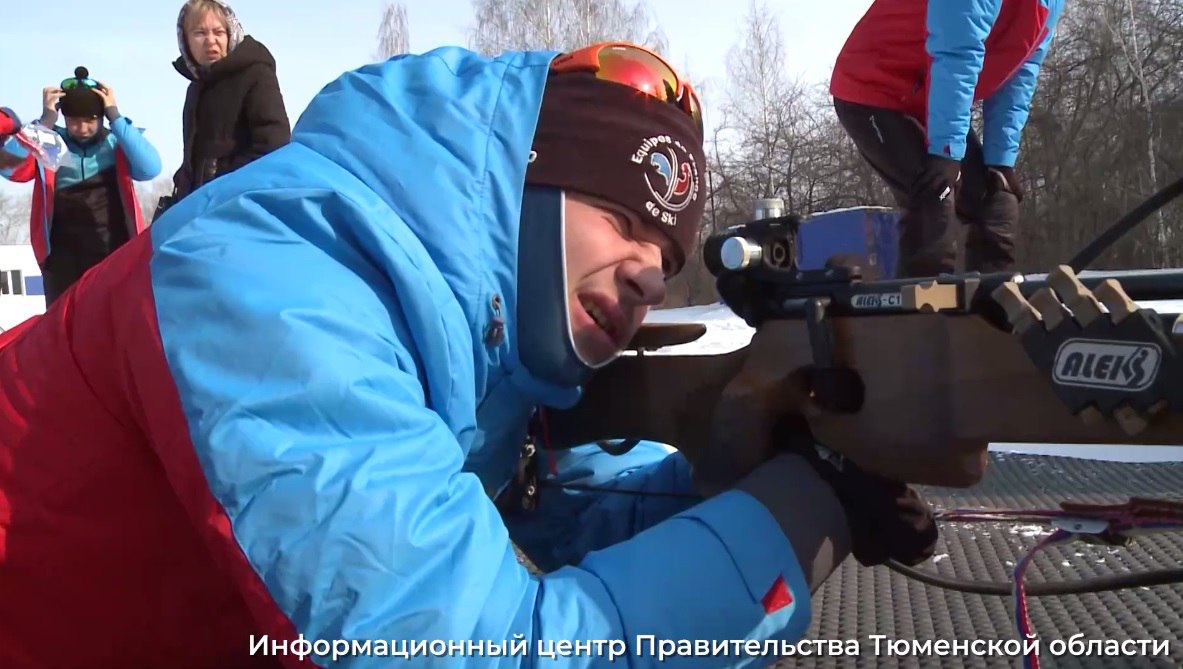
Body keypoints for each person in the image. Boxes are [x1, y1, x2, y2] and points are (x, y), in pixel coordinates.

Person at [0, 44, 950, 667]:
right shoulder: (273, 282)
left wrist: (720, 486)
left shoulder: (478, 351)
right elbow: (481, 647)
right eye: (622, 219)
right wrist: (786, 523)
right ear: (528, 190)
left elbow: (525, 510)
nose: (651, 277)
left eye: (666, 259)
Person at [829, 0, 1066, 278]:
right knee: (935, 196)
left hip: (931, 97)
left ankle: (989, 310)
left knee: (996, 202)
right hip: (874, 87)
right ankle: (923, 312)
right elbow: (957, 54)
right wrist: (946, 152)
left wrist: (1000, 161)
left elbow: (1022, 72)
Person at [1, 67, 161, 305]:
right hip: (62, 256)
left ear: (101, 117)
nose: (82, 128)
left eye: (90, 120)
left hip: (114, 248)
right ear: (64, 118)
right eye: (74, 121)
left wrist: (115, 116)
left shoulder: (116, 141)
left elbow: (150, 168)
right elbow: (10, 167)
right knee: (64, 326)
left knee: (113, 321)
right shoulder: (50, 142)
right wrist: (45, 122)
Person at [166, 0, 290, 208]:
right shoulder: (196, 88)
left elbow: (274, 145)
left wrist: (218, 179)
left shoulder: (255, 74)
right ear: (185, 41)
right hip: (203, 207)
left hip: (244, 206)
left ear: (231, 33)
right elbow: (197, 157)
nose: (211, 41)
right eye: (200, 33)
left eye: (218, 32)